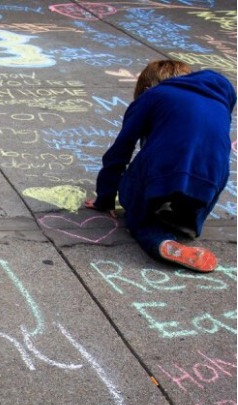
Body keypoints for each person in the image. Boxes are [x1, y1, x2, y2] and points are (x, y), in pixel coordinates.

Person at [85, 60, 236, 272]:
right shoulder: (218, 97)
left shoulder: (152, 96)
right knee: (193, 181)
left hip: (164, 169)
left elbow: (120, 151)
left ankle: (161, 242)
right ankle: (186, 222)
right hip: (213, 178)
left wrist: (105, 198)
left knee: (138, 213)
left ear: (146, 88)